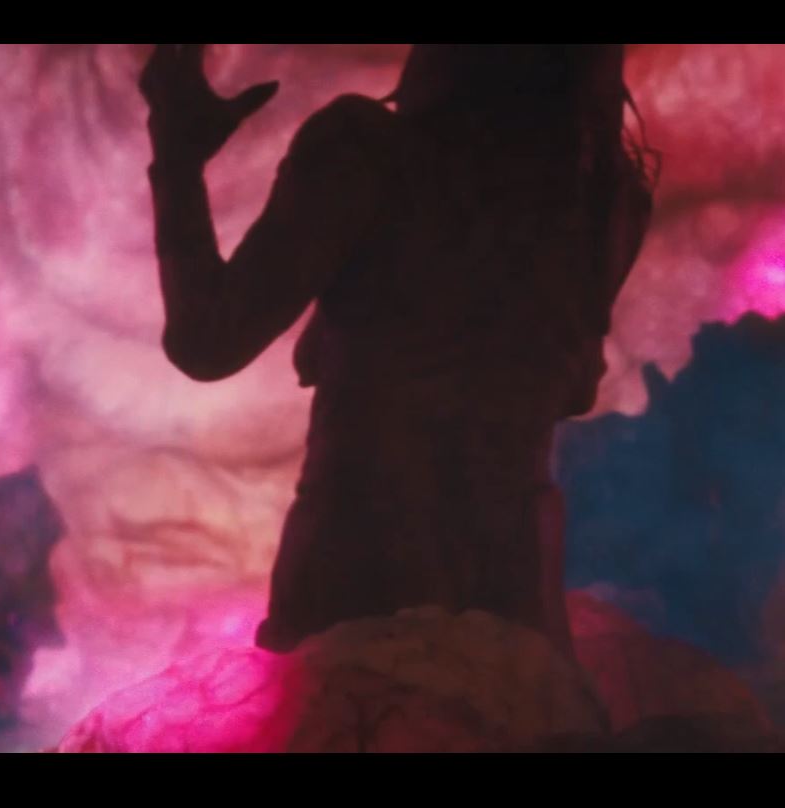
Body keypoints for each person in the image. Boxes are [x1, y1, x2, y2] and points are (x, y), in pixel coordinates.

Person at [140, 44, 656, 654]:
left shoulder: (365, 153)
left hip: (357, 595)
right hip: (514, 615)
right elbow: (569, 389)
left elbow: (208, 340)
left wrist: (177, 158)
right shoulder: (606, 201)